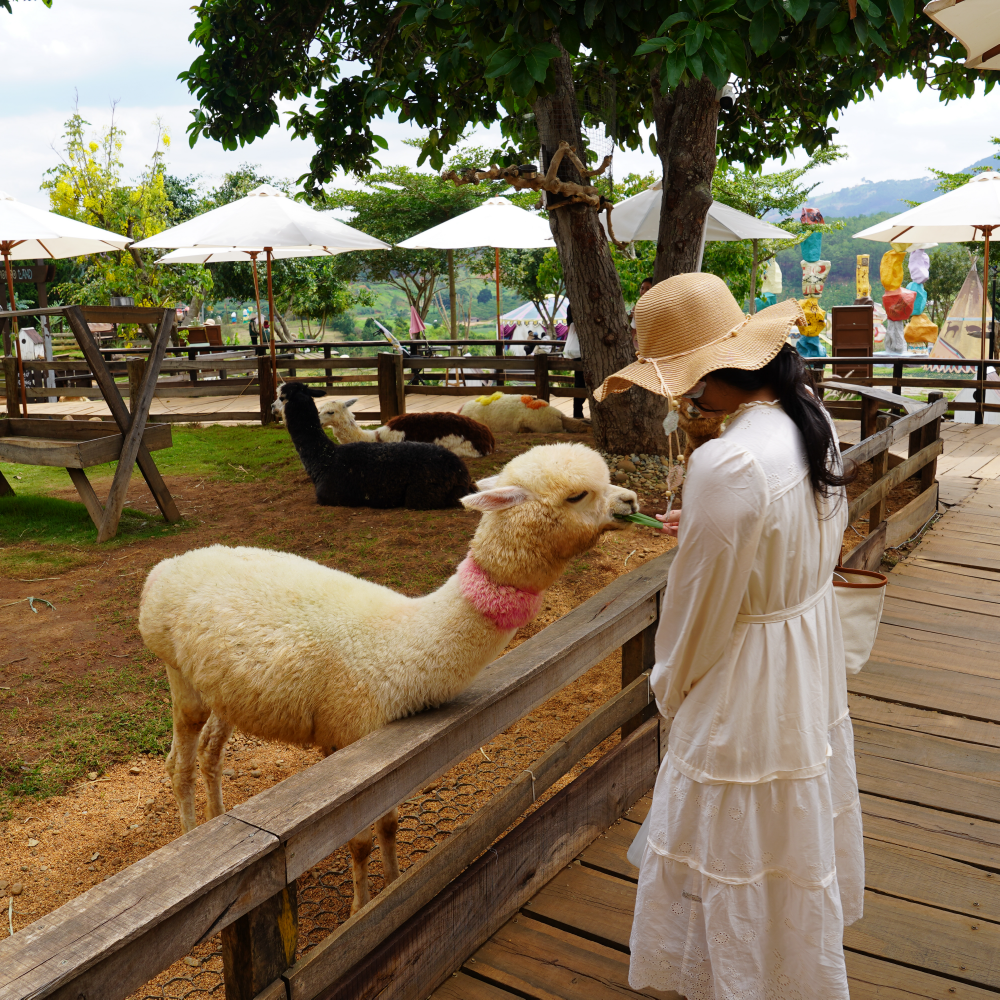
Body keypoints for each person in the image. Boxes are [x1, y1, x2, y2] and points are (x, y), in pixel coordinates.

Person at [595, 272, 861, 1000]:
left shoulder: (728, 461)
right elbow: (806, 527)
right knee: (784, 828)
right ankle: (788, 969)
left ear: (718, 371)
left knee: (728, 831)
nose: (682, 403)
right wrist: (713, 528)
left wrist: (669, 688)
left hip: (745, 675)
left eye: (683, 386)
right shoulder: (809, 413)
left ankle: (732, 979)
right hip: (804, 656)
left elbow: (698, 615)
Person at [562, 303, 584, 419]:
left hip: (576, 351)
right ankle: (578, 413)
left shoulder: (571, 306)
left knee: (579, 381)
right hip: (580, 351)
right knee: (581, 382)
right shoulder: (574, 306)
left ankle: (578, 412)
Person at [629, 275, 654, 353]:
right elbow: (633, 327)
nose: (643, 291)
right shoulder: (637, 306)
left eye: (647, 289)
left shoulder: (655, 307)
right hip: (636, 342)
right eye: (642, 288)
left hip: (649, 344)